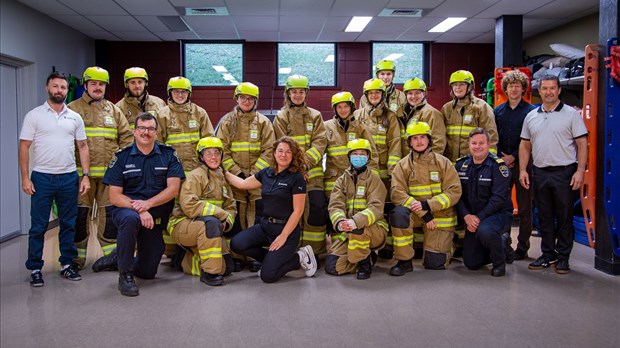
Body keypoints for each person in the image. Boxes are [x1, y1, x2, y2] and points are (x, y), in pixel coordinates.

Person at [20, 72, 91, 287]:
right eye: (55, 86)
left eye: (62, 87)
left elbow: (83, 146)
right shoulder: (34, 116)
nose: (59, 90)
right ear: (47, 88)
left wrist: (85, 176)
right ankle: (35, 267)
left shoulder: (74, 117)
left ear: (66, 90)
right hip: (42, 177)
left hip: (69, 177)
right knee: (39, 226)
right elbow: (24, 146)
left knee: (68, 223)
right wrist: (25, 178)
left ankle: (67, 264)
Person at [103, 112, 184, 296]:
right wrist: (139, 209)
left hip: (153, 213)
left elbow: (173, 189)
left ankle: (119, 258)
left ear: (156, 132)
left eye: (150, 129)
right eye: (141, 128)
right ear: (134, 131)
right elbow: (115, 196)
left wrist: (147, 205)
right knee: (131, 220)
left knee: (148, 272)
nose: (146, 132)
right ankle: (125, 275)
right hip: (127, 210)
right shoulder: (121, 157)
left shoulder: (168, 154)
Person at [519, 75, 588, 274]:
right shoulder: (531, 116)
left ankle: (563, 257)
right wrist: (523, 169)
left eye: (552, 88)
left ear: (559, 91)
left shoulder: (571, 115)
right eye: (544, 88)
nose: (548, 92)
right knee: (544, 216)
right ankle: (547, 255)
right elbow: (524, 144)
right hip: (540, 172)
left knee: (564, 216)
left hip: (564, 172)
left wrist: (580, 171)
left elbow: (582, 143)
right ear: (539, 91)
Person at [225, 136, 317, 283]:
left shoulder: (297, 178)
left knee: (267, 276)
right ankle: (272, 261)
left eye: (288, 152)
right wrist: (222, 171)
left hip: (286, 230)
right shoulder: (266, 173)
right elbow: (242, 184)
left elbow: (298, 211)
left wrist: (283, 235)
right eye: (280, 151)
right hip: (266, 226)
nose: (283, 155)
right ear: (274, 153)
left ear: (293, 155)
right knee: (237, 243)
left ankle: (299, 257)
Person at [67, 66, 133, 271]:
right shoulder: (72, 109)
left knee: (110, 218)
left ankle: (111, 257)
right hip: (81, 177)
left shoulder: (114, 110)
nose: (98, 88)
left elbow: (127, 139)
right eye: (94, 84)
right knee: (79, 217)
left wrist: (121, 168)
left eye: (101, 84)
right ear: (85, 85)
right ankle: (76, 259)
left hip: (109, 178)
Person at [216, 82, 276, 272]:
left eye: (250, 98)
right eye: (243, 97)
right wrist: (238, 174)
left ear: (256, 101)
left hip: (258, 179)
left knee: (259, 215)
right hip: (234, 179)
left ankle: (256, 254)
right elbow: (221, 151)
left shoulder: (264, 122)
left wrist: (254, 175)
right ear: (237, 99)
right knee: (236, 214)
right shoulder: (227, 122)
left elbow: (269, 150)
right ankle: (237, 255)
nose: (246, 101)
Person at [389, 122, 461, 273]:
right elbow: (397, 193)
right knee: (398, 214)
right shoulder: (402, 166)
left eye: (422, 137)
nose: (419, 141)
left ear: (429, 139)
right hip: (417, 214)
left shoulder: (444, 163)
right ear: (409, 142)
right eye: (415, 138)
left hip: (441, 216)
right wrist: (424, 213)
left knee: (435, 264)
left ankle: (449, 245)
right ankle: (404, 261)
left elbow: (454, 191)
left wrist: (428, 205)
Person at [157, 76, 214, 260]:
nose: (180, 95)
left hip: (196, 175)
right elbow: (158, 146)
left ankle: (192, 244)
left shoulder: (200, 113)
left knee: (194, 209)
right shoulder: (162, 115)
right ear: (170, 93)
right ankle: (172, 251)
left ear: (189, 93)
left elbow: (209, 143)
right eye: (176, 91)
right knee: (172, 211)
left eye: (183, 92)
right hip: (172, 176)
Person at [167, 137, 236, 286]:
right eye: (208, 153)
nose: (213, 157)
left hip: (207, 226)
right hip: (182, 224)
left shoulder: (222, 178)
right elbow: (190, 206)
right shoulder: (195, 176)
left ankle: (183, 259)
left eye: (217, 153)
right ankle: (209, 273)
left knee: (228, 267)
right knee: (210, 224)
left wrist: (226, 222)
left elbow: (231, 206)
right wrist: (221, 215)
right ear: (201, 156)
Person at [274, 75, 328, 256]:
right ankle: (293, 251)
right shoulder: (281, 117)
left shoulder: (315, 116)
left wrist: (304, 166)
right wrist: (297, 170)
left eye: (301, 91)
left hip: (314, 175)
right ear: (288, 93)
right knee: (292, 213)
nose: (297, 95)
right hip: (290, 176)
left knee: (316, 210)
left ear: (306, 93)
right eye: (294, 91)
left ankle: (315, 252)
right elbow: (282, 147)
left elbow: (320, 143)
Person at [325, 139, 388, 280]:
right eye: (355, 154)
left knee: (358, 230)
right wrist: (340, 222)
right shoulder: (341, 181)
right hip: (349, 230)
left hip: (374, 230)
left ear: (368, 157)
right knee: (332, 266)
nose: (358, 157)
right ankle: (366, 257)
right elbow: (335, 205)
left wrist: (355, 222)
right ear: (349, 156)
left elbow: (376, 208)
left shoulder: (374, 179)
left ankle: (365, 266)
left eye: (362, 154)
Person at [354, 78, 401, 260]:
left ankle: (386, 244)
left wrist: (393, 169)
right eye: (371, 93)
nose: (374, 95)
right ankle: (367, 245)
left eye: (377, 93)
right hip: (363, 171)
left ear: (383, 95)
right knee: (366, 207)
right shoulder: (358, 115)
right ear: (366, 95)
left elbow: (395, 143)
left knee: (386, 207)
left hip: (385, 173)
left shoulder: (390, 117)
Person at [456, 128, 513, 277]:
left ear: (489, 145)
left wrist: (478, 218)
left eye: (481, 143)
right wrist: (466, 216)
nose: (477, 146)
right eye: (474, 143)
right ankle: (499, 244)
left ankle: (499, 262)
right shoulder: (460, 166)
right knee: (471, 263)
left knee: (485, 231)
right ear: (469, 145)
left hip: (497, 215)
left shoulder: (499, 167)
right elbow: (456, 195)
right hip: (473, 218)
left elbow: (498, 199)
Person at [494, 70, 536, 260]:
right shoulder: (498, 111)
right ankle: (505, 245)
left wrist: (513, 157)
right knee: (503, 205)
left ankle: (523, 247)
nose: (513, 88)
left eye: (517, 85)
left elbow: (530, 139)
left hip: (523, 165)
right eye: (510, 85)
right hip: (502, 164)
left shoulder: (531, 112)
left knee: (525, 207)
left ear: (523, 88)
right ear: (505, 88)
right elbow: (494, 137)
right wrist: (503, 156)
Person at [324, 91, 378, 198]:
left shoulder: (360, 127)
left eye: (346, 106)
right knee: (334, 209)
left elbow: (372, 154)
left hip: (357, 178)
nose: (343, 110)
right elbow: (318, 151)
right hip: (333, 180)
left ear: (352, 107)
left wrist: (373, 178)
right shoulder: (326, 127)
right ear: (335, 109)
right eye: (339, 107)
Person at [441, 70, 498, 162]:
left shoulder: (482, 107)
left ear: (470, 86)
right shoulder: (446, 108)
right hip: (450, 164)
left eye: (462, 84)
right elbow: (440, 137)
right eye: (455, 85)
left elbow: (491, 137)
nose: (458, 88)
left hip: (474, 165)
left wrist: (488, 162)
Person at [401, 78, 446, 155]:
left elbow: (438, 143)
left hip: (423, 162)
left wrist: (429, 163)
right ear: (406, 95)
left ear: (424, 94)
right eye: (410, 93)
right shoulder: (403, 112)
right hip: (407, 161)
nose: (413, 96)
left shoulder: (432, 113)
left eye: (417, 93)